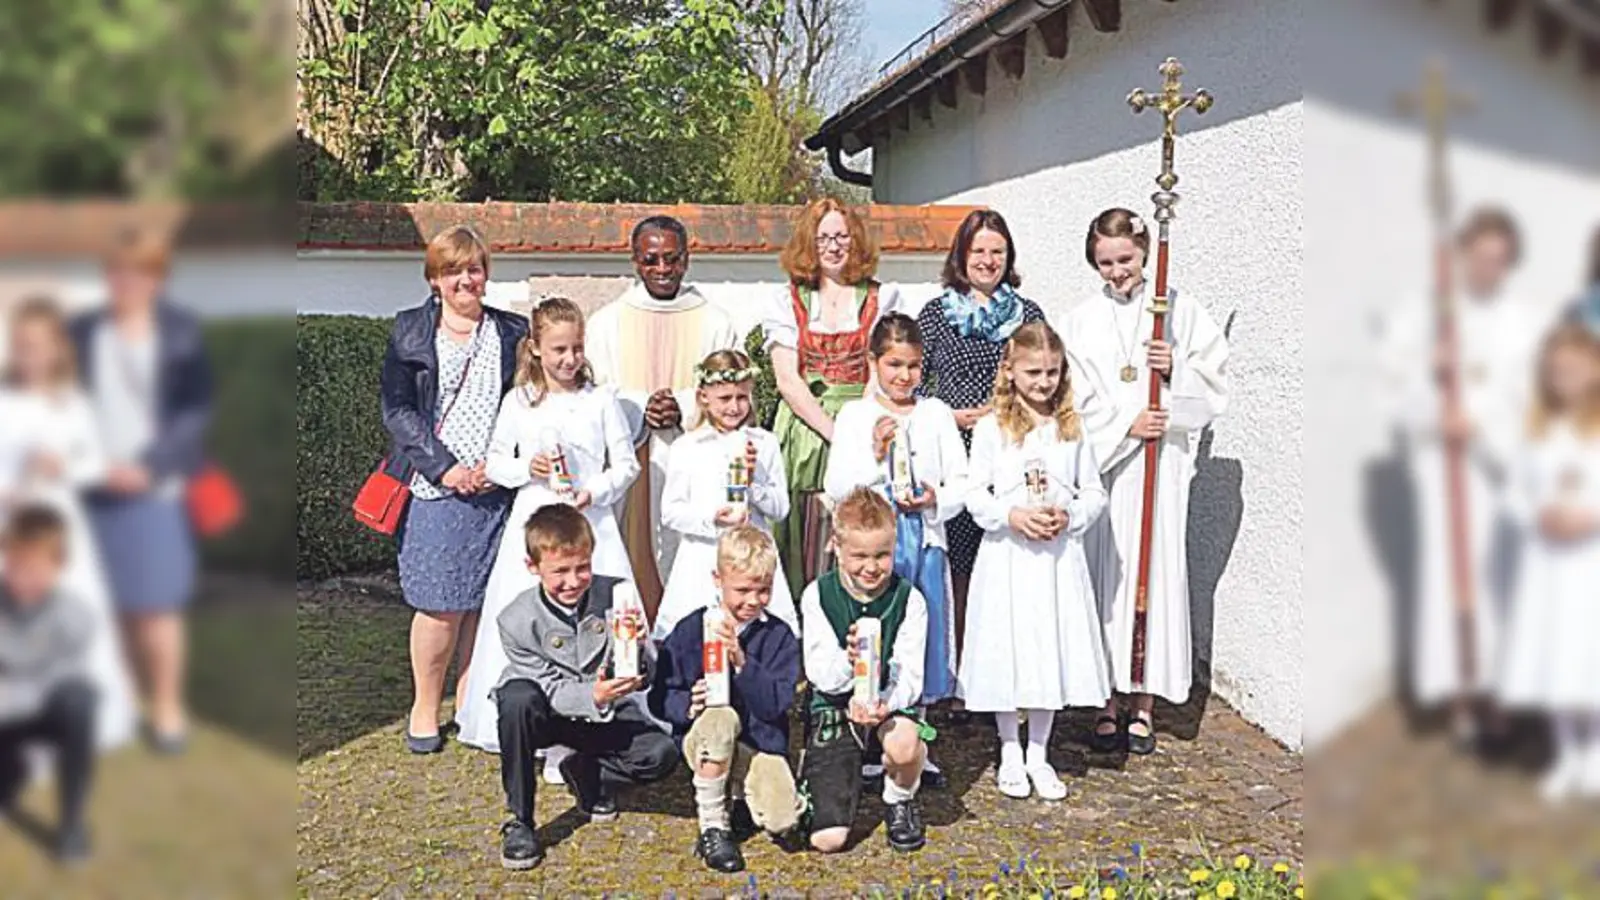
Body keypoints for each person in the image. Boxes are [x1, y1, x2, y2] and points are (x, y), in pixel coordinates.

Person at [1060, 207, 1229, 755]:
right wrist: (1124, 425)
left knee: (1153, 575)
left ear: (1146, 253)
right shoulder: (1080, 321)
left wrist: (1175, 367)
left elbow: (1214, 388)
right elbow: (1068, 398)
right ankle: (1105, 701)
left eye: (1126, 260)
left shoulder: (1181, 312)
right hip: (1107, 471)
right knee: (1107, 578)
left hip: (1160, 469)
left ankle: (1144, 704)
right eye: (1105, 263)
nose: (1117, 272)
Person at [1377, 206, 1539, 745]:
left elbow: (1534, 395)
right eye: (1480, 256)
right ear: (1463, 255)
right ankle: (1461, 696)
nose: (1488, 268)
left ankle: (1501, 691)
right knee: (1448, 581)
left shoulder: (1521, 321)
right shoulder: (1424, 316)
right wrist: (1432, 390)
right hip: (1443, 463)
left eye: (1499, 260)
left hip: (1498, 469)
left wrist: (1483, 422)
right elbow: (1394, 388)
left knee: (1500, 583)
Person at [456, 297, 639, 775]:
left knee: (595, 618)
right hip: (536, 518)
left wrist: (595, 491)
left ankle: (593, 725)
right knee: (538, 619)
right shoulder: (519, 402)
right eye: (559, 349)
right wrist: (527, 468)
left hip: (589, 522)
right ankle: (537, 724)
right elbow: (496, 462)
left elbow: (626, 465)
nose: (570, 359)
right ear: (536, 348)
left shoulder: (600, 400)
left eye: (576, 348)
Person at [378, 225, 528, 754]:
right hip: (436, 488)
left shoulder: (513, 331)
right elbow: (398, 411)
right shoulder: (411, 331)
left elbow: (530, 399)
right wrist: (447, 469)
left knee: (482, 602)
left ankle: (469, 700)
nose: (466, 279)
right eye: (452, 270)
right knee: (440, 604)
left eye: (474, 268)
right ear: (434, 279)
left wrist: (500, 465)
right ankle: (425, 704)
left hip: (497, 487)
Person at [71, 229, 215, 754]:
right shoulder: (82, 331)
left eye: (140, 271)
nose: (127, 281)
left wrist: (147, 468)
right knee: (108, 605)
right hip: (89, 487)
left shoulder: (180, 332)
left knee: (157, 605)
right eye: (118, 271)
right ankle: (122, 700)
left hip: (155, 491)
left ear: (158, 278)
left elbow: (194, 414)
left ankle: (168, 708)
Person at [960, 321, 1110, 800]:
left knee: (1049, 646)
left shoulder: (1071, 428)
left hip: (1056, 560)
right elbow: (973, 492)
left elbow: (1094, 493)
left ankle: (1039, 751)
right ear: (1010, 370)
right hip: (1009, 556)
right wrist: (1011, 515)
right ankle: (1009, 746)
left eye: (1051, 372)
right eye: (1033, 372)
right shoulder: (993, 428)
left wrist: (1070, 516)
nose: (1043, 382)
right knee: (1008, 646)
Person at [823, 313, 966, 787]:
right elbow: (837, 486)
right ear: (873, 363)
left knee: (921, 634)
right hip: (876, 547)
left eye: (913, 366)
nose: (904, 376)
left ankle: (914, 737)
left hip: (923, 541)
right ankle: (870, 735)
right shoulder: (855, 415)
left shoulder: (936, 414)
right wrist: (875, 454)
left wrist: (935, 497)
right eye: (894, 365)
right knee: (876, 630)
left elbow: (962, 480)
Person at [492, 504, 677, 871]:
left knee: (661, 754)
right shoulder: (515, 619)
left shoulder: (617, 594)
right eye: (560, 571)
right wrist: (594, 695)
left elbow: (645, 676)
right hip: (546, 713)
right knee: (515, 698)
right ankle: (520, 819)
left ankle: (587, 772)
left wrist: (639, 651)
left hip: (604, 713)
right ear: (533, 567)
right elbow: (547, 686)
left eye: (583, 567)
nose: (574, 581)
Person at [586, 216, 741, 622]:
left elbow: (735, 394)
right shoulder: (606, 323)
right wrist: (642, 407)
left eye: (671, 259)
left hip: (695, 463)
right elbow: (595, 395)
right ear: (635, 261)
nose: (662, 268)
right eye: (651, 259)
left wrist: (686, 407)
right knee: (629, 563)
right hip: (632, 461)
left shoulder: (716, 321)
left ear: (686, 259)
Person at [0, 298, 135, 750]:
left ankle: (79, 718)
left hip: (62, 526)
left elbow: (95, 464)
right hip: (12, 524)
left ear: (57, 348)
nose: (29, 354)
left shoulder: (73, 404)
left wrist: (63, 467)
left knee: (73, 616)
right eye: (21, 345)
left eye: (38, 345)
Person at [915, 209, 1045, 668]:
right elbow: (913, 382)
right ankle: (959, 667)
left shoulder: (1028, 315)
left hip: (1008, 447)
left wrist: (999, 413)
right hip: (952, 452)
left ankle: (1007, 666)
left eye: (997, 251)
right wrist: (947, 415)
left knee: (1006, 558)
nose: (988, 260)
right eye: (979, 250)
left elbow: (1045, 376)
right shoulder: (936, 314)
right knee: (959, 564)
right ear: (961, 255)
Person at [766, 199, 907, 600]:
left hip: (864, 420)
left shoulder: (881, 298)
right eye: (823, 237)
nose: (832, 246)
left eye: (841, 236)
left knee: (863, 521)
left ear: (855, 239)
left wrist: (855, 431)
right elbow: (788, 380)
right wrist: (834, 432)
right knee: (808, 529)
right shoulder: (788, 300)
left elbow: (881, 370)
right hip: (805, 430)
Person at [648, 525, 803, 873]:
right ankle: (713, 825)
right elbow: (660, 697)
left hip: (758, 744)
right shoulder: (691, 629)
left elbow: (776, 705)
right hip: (705, 740)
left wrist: (743, 664)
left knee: (782, 818)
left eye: (763, 590)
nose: (753, 600)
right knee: (721, 718)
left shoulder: (779, 636)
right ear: (718, 580)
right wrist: (689, 704)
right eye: (743, 590)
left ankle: (740, 794)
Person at [1496, 321, 1600, 800]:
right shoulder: (1537, 430)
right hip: (1547, 565)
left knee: (1588, 657)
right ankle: (1566, 752)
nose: (1566, 379)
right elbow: (1513, 494)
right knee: (1553, 659)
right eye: (1557, 371)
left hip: (1590, 563)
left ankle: (1593, 751)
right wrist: (1539, 515)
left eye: (1574, 369)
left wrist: (1588, 518)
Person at [797, 488, 931, 854]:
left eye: (882, 555)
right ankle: (827, 770)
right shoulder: (818, 595)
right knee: (828, 840)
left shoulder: (909, 599)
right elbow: (819, 674)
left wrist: (884, 703)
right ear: (837, 547)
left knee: (904, 745)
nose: (871, 567)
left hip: (886, 704)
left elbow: (910, 676)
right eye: (859, 556)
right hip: (836, 704)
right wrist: (849, 659)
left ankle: (899, 797)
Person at [654, 349, 797, 641]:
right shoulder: (687, 447)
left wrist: (753, 483)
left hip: (752, 558)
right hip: (703, 557)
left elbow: (780, 508)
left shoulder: (764, 443)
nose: (734, 407)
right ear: (704, 396)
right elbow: (671, 511)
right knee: (699, 636)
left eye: (742, 397)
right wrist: (712, 519)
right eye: (725, 398)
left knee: (756, 636)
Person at [0, 505, 100, 862]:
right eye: (15, 566)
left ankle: (71, 824)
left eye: (35, 569)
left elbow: (59, 679)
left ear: (60, 566)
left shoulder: (76, 616)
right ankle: (10, 776)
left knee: (81, 702)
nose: (23, 579)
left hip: (42, 709)